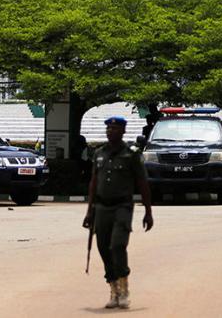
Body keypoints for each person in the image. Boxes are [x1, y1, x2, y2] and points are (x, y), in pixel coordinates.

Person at [83, 116, 154, 309]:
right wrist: (89, 212)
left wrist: (148, 211)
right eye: (108, 128)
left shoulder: (131, 154)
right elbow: (93, 183)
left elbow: (142, 183)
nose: (110, 131)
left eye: (114, 128)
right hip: (101, 208)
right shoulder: (99, 153)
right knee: (103, 248)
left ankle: (124, 288)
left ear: (123, 131)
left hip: (122, 206)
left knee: (118, 245)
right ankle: (113, 289)